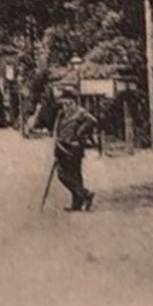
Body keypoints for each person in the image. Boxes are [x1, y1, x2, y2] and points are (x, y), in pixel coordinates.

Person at [51, 84, 99, 212]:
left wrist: (79, 132)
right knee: (73, 175)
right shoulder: (62, 114)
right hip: (63, 147)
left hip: (74, 147)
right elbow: (58, 130)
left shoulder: (80, 112)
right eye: (63, 102)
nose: (64, 104)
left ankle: (85, 194)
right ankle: (77, 204)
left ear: (72, 101)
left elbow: (92, 121)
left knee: (64, 174)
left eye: (66, 101)